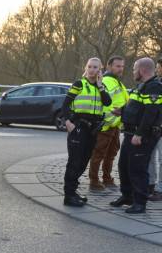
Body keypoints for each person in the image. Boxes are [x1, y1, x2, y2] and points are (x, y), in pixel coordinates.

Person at [109, 57, 162, 214]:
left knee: (137, 169)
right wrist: (122, 111)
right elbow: (137, 108)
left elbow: (151, 113)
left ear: (142, 70)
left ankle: (140, 202)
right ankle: (127, 197)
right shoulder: (141, 86)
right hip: (130, 133)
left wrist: (139, 134)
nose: (132, 72)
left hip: (142, 136)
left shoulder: (154, 87)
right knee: (124, 166)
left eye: (134, 69)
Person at [59, 57, 112, 207]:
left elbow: (107, 102)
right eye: (90, 67)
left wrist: (101, 86)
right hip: (79, 127)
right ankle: (68, 196)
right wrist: (68, 123)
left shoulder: (101, 87)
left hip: (93, 130)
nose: (92, 70)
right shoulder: (79, 84)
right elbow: (65, 105)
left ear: (100, 70)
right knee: (74, 162)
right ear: (86, 68)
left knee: (83, 162)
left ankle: (73, 192)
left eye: (95, 67)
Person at [89, 56, 128, 190]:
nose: (120, 69)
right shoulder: (106, 81)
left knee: (111, 154)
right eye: (117, 66)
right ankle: (94, 181)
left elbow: (125, 101)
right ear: (109, 66)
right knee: (98, 154)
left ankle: (107, 178)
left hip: (115, 126)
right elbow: (103, 102)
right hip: (105, 125)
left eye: (122, 66)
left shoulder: (118, 82)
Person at [147, 58, 162, 202]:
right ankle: (150, 185)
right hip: (154, 128)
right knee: (150, 157)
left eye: (158, 67)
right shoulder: (156, 84)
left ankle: (160, 190)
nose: (157, 70)